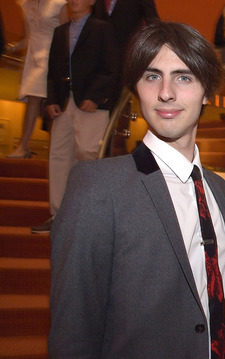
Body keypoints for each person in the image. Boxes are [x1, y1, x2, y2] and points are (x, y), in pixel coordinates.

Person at [48, 21, 225, 359]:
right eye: (151, 76)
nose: (166, 93)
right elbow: (72, 341)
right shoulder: (96, 187)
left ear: (207, 90)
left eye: (184, 77)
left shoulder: (223, 191)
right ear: (136, 89)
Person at [31, 0, 119, 234]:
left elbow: (111, 68)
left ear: (92, 2)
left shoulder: (102, 28)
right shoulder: (60, 32)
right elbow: (52, 71)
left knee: (87, 156)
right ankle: (58, 216)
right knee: (58, 157)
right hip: (62, 103)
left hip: (90, 104)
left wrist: (95, 97)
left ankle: (88, 217)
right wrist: (50, 100)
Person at [94, 0, 159, 156]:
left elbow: (153, 22)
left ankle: (116, 150)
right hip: (98, 62)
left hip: (126, 60)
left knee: (120, 106)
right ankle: (102, 149)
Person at [5, 0, 68, 159]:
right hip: (32, 58)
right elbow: (28, 37)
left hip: (51, 56)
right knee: (37, 103)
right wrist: (10, 47)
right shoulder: (25, 4)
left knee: (41, 100)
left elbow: (67, 35)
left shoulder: (59, 3)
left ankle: (26, 146)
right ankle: (30, 147)